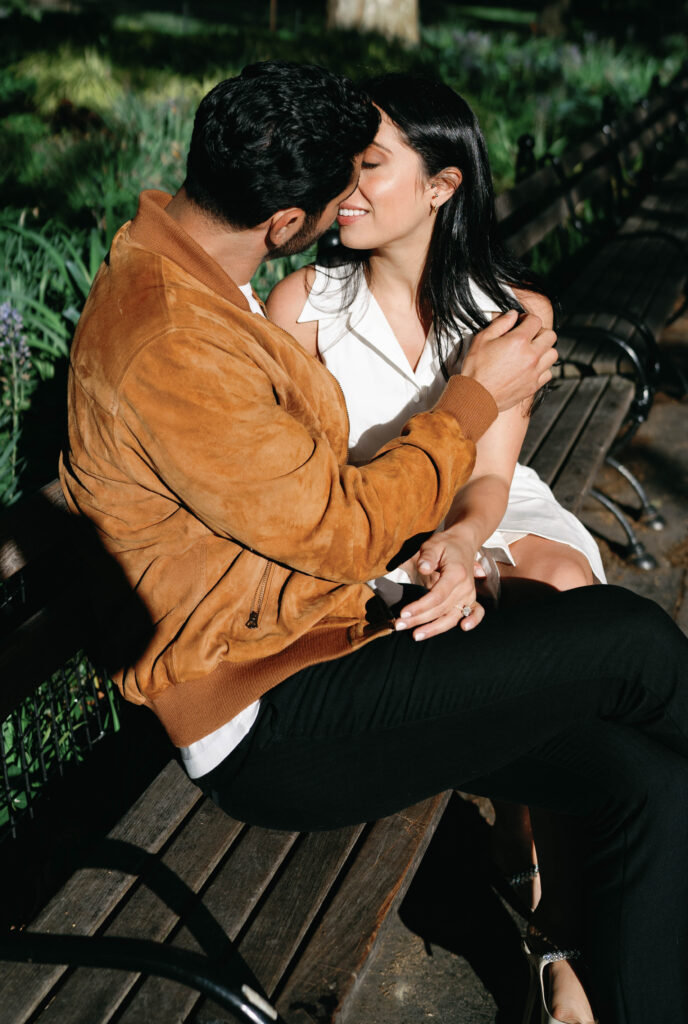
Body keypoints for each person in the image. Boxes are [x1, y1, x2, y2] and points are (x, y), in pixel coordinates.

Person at [58, 61, 688, 1024]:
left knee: (642, 779)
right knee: (630, 643)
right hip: (273, 714)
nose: (343, 203)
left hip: (329, 642)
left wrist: (463, 537)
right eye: (330, 194)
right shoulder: (172, 337)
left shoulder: (194, 287)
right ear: (283, 224)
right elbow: (342, 528)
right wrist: (472, 396)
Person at [264, 72, 606, 1022]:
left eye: (371, 165)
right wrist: (428, 545)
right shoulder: (304, 308)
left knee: (571, 586)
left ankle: (556, 913)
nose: (348, 186)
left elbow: (492, 482)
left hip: (488, 514)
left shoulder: (508, 313)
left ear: (443, 187)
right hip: (370, 539)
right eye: (343, 166)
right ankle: (542, 870)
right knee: (539, 629)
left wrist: (463, 540)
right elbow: (309, 488)